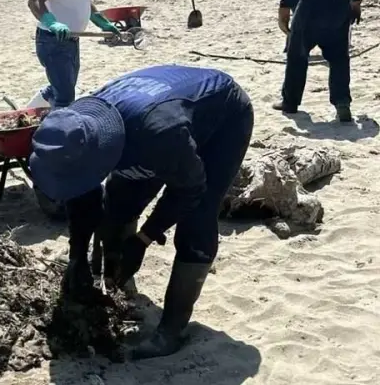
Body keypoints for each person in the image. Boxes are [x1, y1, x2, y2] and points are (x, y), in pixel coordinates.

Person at [29, 64, 254, 360]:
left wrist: (143, 239)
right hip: (152, 115)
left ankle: (170, 331)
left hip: (223, 120)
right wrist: (77, 254)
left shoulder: (159, 135)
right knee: (118, 205)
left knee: (196, 219)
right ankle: (118, 284)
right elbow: (83, 194)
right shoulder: (80, 126)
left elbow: (189, 189)